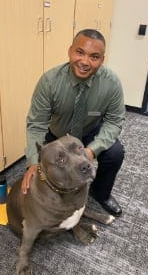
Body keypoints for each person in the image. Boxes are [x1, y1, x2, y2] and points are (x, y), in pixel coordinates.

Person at [24, 29, 125, 216]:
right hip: (58, 134)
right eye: (80, 52)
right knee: (43, 163)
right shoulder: (50, 81)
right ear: (70, 51)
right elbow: (37, 124)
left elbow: (114, 121)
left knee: (115, 153)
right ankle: (57, 196)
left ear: (102, 59)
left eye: (94, 56)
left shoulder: (111, 84)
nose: (85, 62)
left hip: (90, 132)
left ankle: (101, 194)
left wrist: (92, 149)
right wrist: (32, 162)